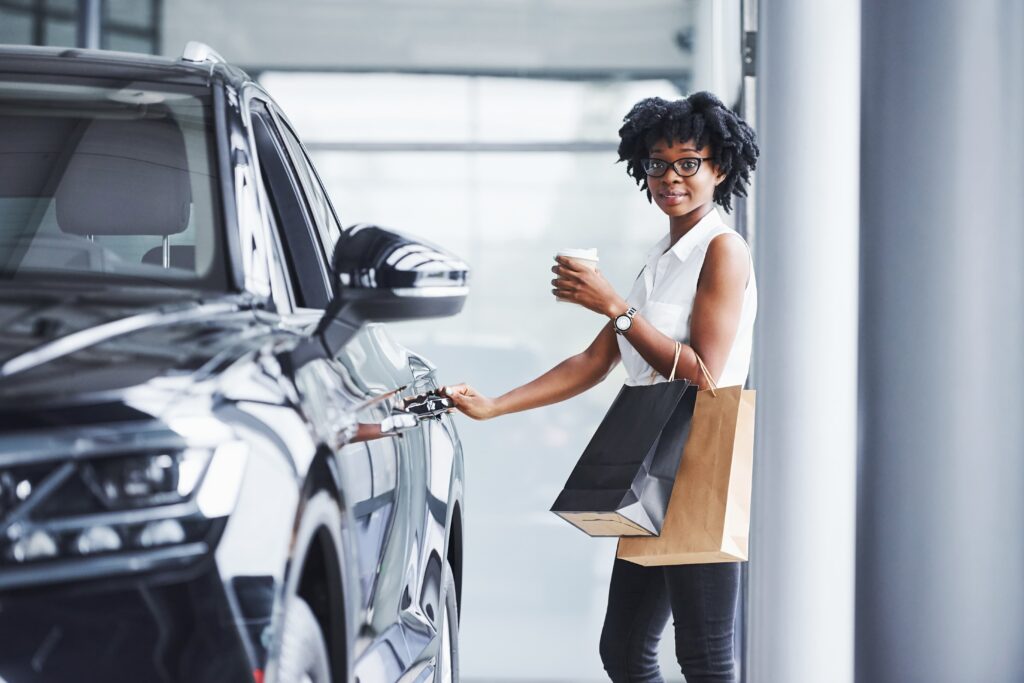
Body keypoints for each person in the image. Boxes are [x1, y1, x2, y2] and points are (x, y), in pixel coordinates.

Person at [441, 91, 759, 682]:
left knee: (706, 655)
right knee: (625, 650)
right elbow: (594, 361)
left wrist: (614, 305)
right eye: (657, 163)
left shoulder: (723, 249)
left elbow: (705, 373)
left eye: (688, 162)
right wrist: (494, 406)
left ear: (719, 167)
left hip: (702, 446)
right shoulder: (662, 256)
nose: (670, 177)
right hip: (654, 443)